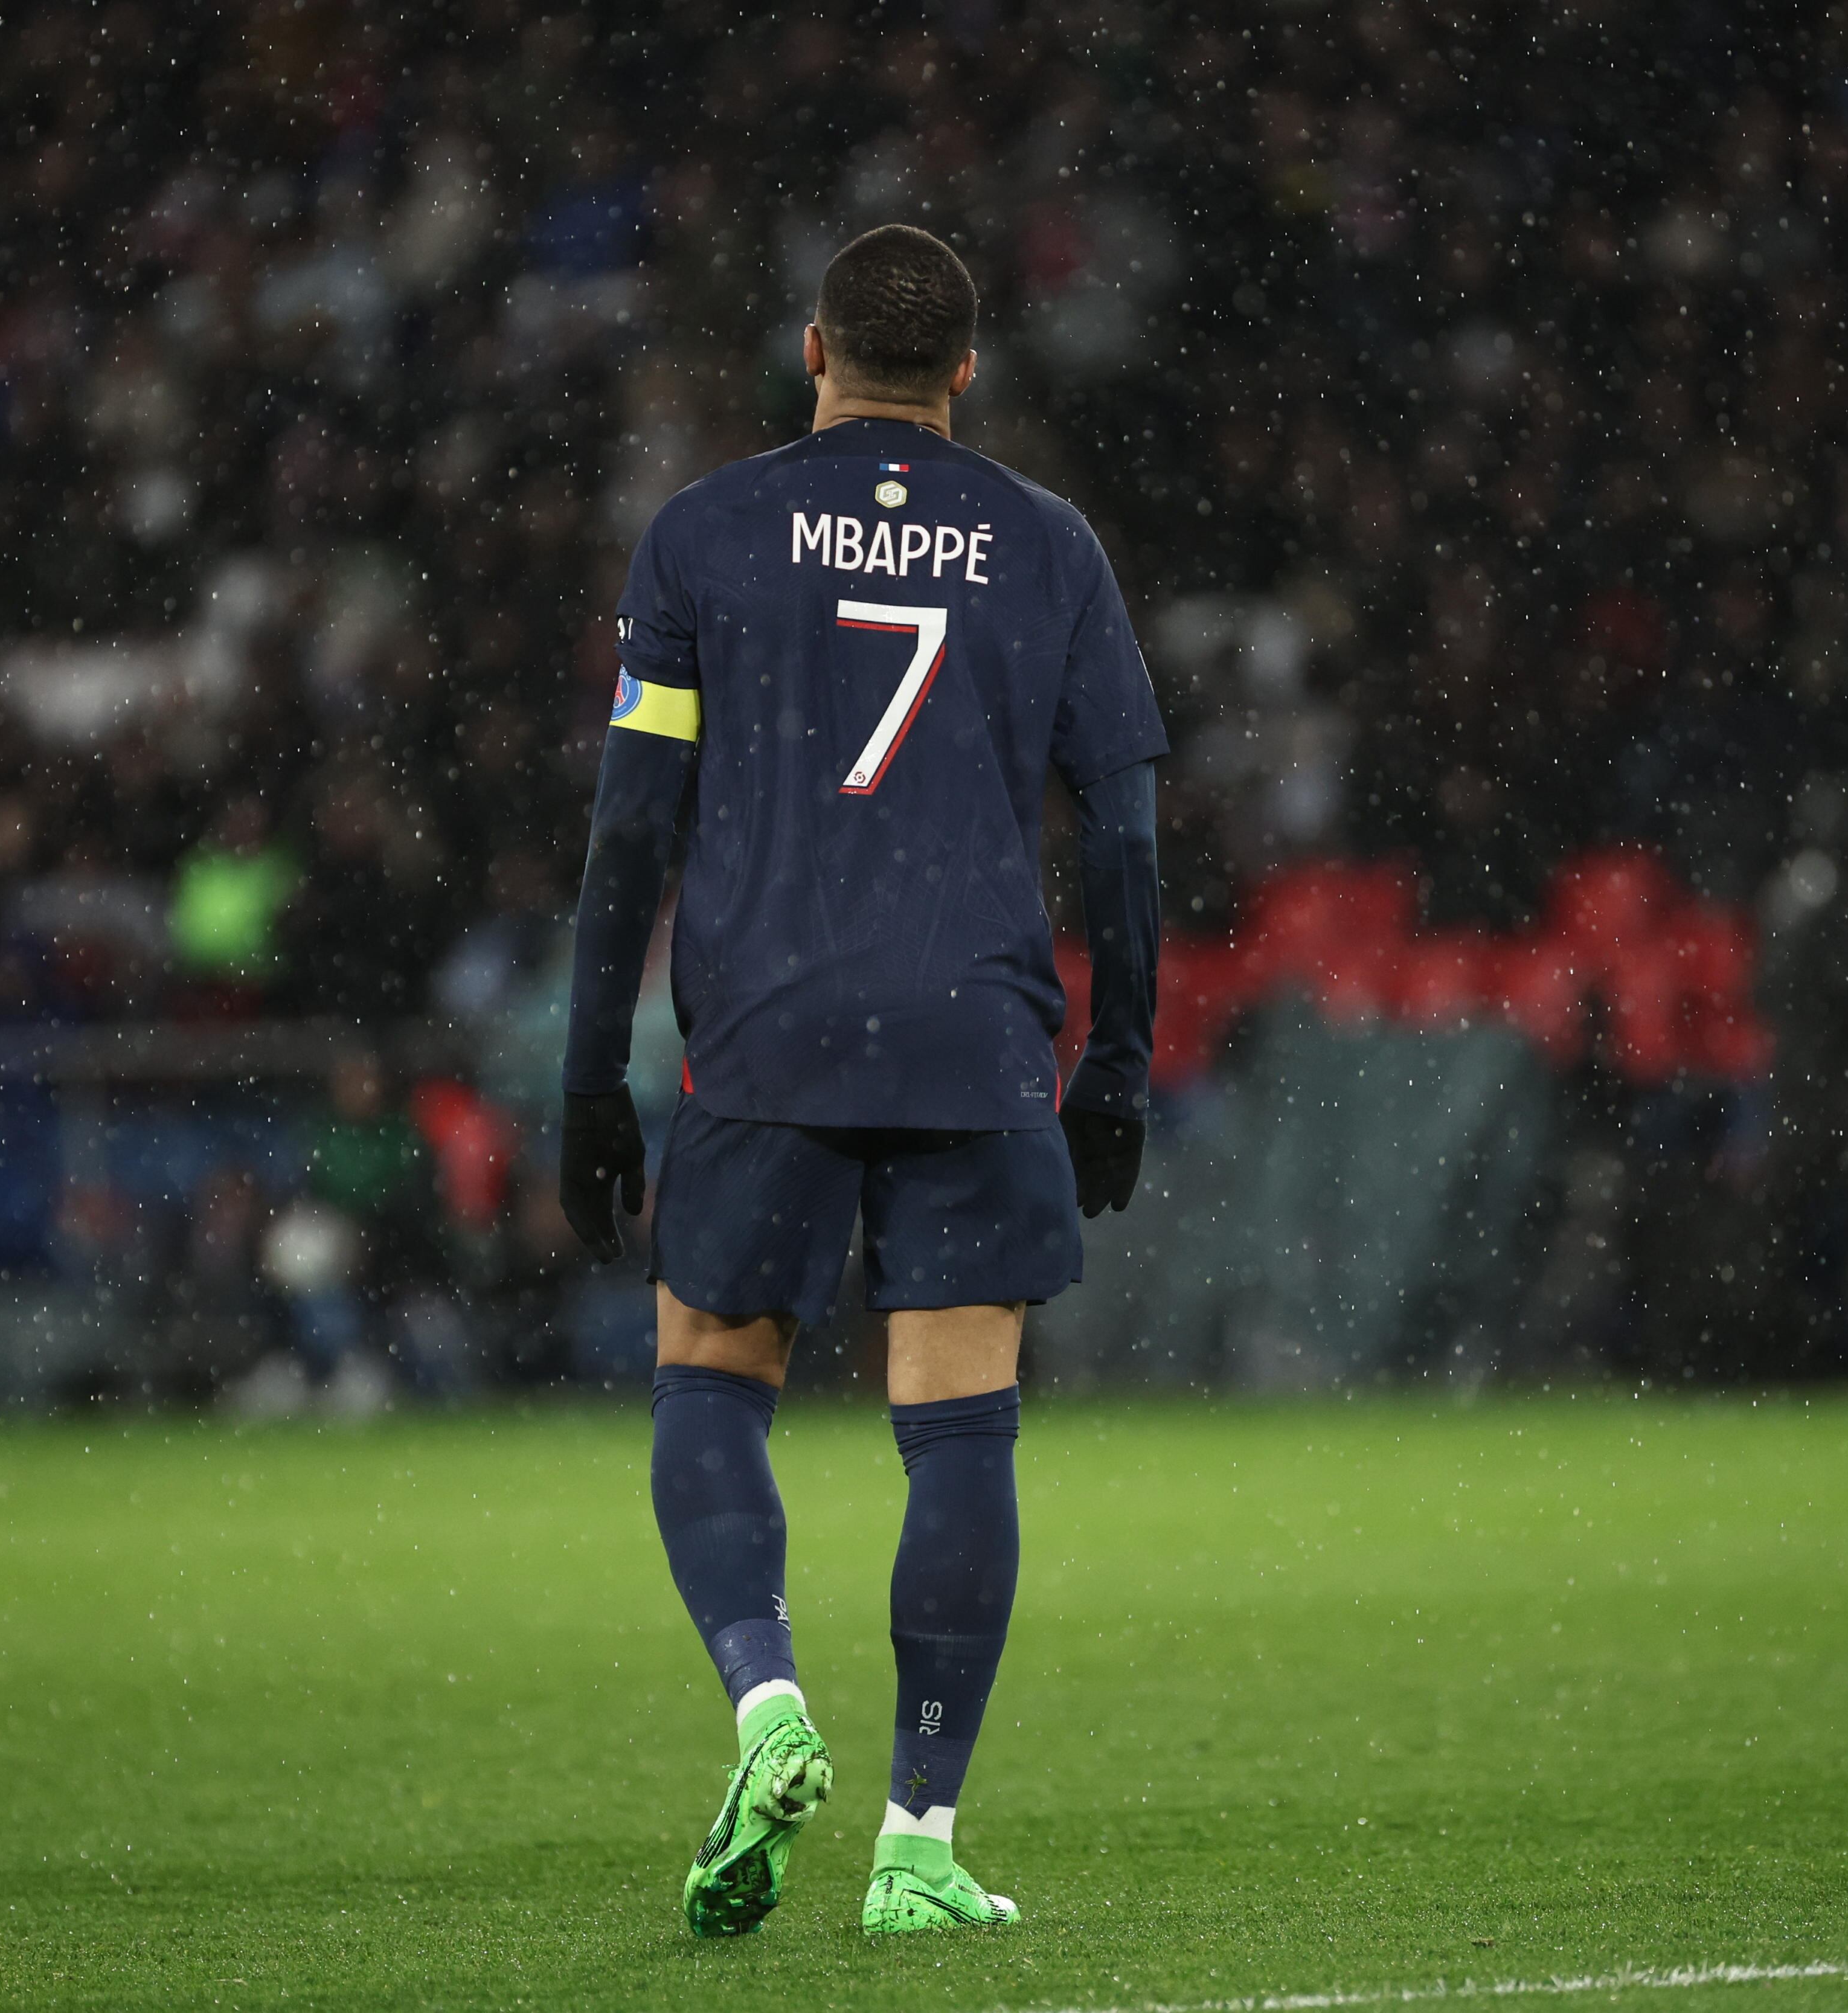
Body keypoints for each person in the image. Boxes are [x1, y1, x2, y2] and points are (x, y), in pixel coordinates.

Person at [556, 225, 1166, 1941]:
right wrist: (1117, 1063)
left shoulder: (705, 533)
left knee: (710, 1379)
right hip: (977, 1032)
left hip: (769, 1027)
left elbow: (630, 826)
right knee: (960, 1424)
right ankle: (918, 1837)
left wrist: (593, 1075)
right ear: (966, 369)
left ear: (813, 351)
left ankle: (766, 1699)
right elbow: (1125, 833)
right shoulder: (1050, 547)